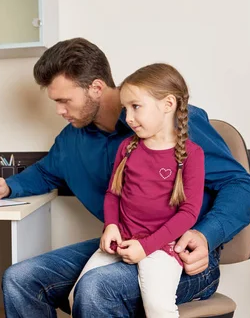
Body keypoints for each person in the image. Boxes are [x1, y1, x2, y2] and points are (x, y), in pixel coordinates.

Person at [0, 38, 250, 317]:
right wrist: (7, 187)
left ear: (96, 88)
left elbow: (240, 186)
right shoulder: (72, 139)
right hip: (126, 242)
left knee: (97, 287)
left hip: (180, 254)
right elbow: (46, 172)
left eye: (64, 100)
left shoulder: (171, 123)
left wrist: (205, 235)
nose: (59, 111)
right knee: (20, 279)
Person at [72, 63, 204, 318]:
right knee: (78, 292)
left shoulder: (192, 154)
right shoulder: (127, 147)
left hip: (161, 247)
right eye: (125, 108)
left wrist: (146, 247)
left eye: (136, 107)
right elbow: (113, 194)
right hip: (122, 240)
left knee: (158, 307)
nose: (128, 117)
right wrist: (111, 225)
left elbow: (189, 213)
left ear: (168, 104)